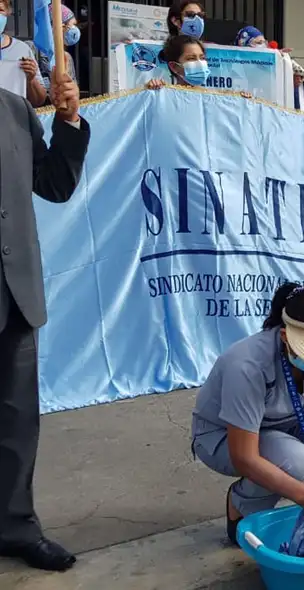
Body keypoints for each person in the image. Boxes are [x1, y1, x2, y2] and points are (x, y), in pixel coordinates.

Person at [191, 283, 304, 545]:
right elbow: (244, 456)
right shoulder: (248, 365)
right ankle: (242, 505)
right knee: (295, 459)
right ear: (285, 337)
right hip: (225, 437)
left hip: (289, 420)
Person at [0, 64, 88, 573]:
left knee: (15, 423)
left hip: (15, 292)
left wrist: (68, 121)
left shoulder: (14, 110)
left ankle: (14, 526)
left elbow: (54, 184)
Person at [0, 0, 46, 106]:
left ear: (8, 12)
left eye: (0, 10)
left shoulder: (22, 49)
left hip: (14, 120)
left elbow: (38, 101)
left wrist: (31, 79)